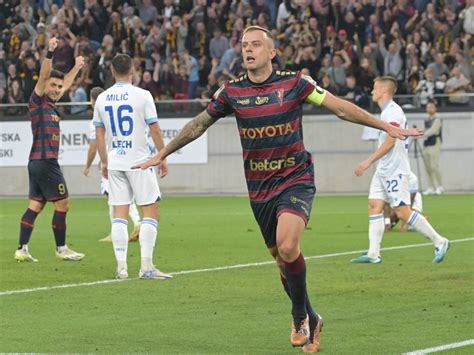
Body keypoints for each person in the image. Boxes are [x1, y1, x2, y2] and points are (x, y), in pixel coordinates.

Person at [132, 26, 421, 352]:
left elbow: (339, 107)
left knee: (287, 246)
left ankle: (298, 315)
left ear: (272, 52)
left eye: (256, 44)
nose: (248, 50)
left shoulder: (296, 83)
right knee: (282, 260)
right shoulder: (231, 92)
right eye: (244, 45)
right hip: (259, 189)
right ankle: (313, 318)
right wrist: (163, 153)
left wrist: (384, 125)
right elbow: (199, 123)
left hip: (295, 180)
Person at [351, 76, 450, 265]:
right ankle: (373, 253)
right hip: (384, 169)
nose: (372, 92)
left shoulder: (393, 112)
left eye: (374, 88)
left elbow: (390, 141)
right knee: (374, 205)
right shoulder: (386, 112)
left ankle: (440, 241)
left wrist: (368, 161)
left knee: (403, 212)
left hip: (395, 170)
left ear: (383, 91)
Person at [93, 54, 172, 280]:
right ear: (133, 70)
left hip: (115, 162)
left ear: (111, 70)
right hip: (139, 162)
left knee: (119, 213)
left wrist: (104, 161)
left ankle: (121, 268)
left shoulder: (102, 98)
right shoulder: (143, 95)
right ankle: (146, 267)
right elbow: (155, 130)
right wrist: (162, 156)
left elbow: (100, 134)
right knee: (151, 210)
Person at [15, 37, 85, 262]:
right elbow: (45, 76)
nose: (56, 89)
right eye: (52, 85)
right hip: (46, 161)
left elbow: (64, 84)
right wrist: (50, 52)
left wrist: (76, 67)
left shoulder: (52, 104)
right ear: (43, 86)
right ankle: (61, 248)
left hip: (36, 162)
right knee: (63, 203)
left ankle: (22, 249)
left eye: (58, 86)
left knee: (35, 205)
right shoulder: (37, 102)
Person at [83, 86, 142, 242]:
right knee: (121, 194)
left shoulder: (96, 120)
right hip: (125, 157)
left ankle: (132, 225)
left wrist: (89, 164)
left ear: (92, 100)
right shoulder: (114, 114)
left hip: (110, 162)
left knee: (114, 196)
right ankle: (127, 226)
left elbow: (93, 146)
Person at [420, 101, 444, 195]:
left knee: (434, 166)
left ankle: (440, 186)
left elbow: (433, 131)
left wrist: (421, 135)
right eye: (428, 107)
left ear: (435, 108)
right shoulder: (427, 119)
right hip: (427, 143)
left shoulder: (438, 118)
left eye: (431, 107)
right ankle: (431, 187)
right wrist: (416, 132)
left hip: (435, 142)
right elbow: (425, 130)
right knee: (427, 167)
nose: (429, 109)